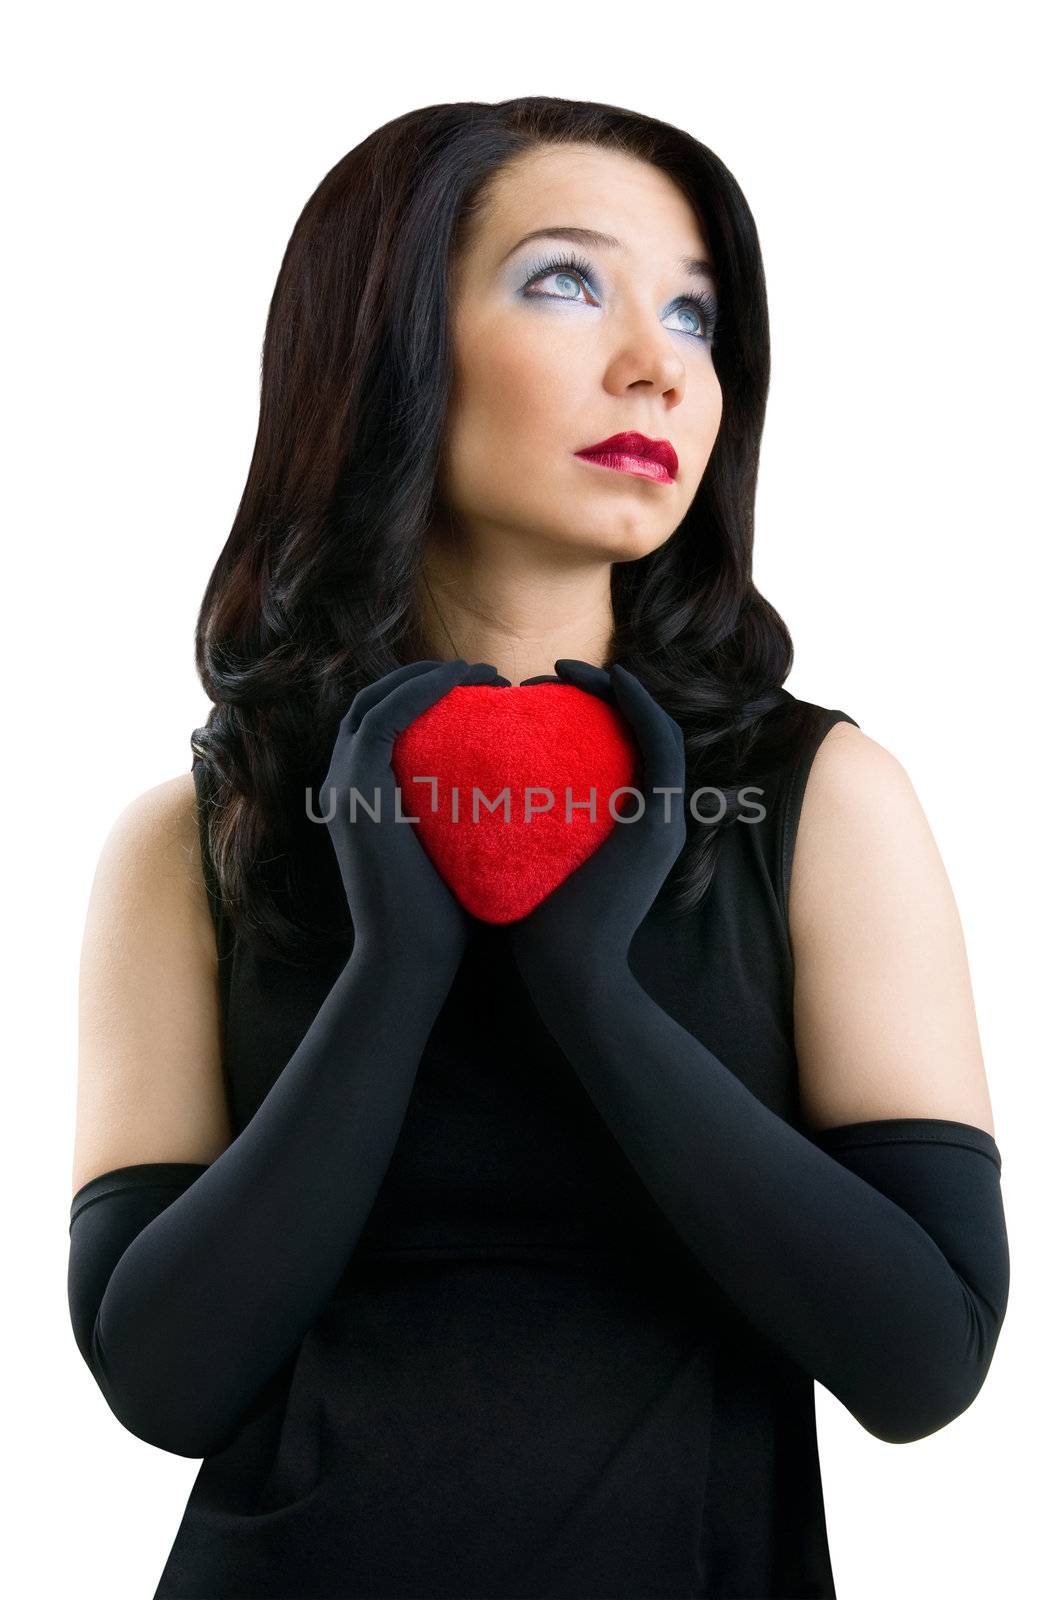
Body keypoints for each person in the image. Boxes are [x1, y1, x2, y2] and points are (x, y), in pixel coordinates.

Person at [67, 97, 1010, 1600]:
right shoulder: (201, 832)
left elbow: (923, 1359)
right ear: (386, 345)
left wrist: (587, 982)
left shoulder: (825, 798)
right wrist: (398, 967)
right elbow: (162, 1380)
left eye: (696, 312)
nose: (659, 362)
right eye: (569, 280)